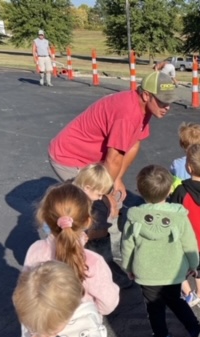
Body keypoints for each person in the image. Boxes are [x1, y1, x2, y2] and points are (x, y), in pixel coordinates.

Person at [48, 71, 176, 283]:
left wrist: (116, 179)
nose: (167, 107)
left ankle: (104, 264)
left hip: (95, 161)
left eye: (170, 102)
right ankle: (78, 266)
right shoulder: (128, 112)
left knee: (107, 208)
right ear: (146, 95)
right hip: (70, 157)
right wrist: (107, 193)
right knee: (96, 210)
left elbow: (134, 143)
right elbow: (114, 158)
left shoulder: (143, 109)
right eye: (162, 101)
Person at [121, 165, 200, 337]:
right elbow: (189, 243)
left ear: (139, 189)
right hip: (172, 270)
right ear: (170, 189)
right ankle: (195, 331)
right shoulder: (178, 216)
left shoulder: (134, 217)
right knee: (176, 301)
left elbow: (127, 245)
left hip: (146, 272)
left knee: (154, 307)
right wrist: (193, 264)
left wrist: (128, 267)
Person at [24, 183, 120, 316]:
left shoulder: (35, 250)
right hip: (84, 326)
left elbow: (27, 289)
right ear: (88, 221)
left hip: (48, 323)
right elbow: (108, 304)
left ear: (45, 218)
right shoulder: (93, 261)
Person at [169, 144, 200, 309]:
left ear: (189, 167)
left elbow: (173, 213)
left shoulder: (182, 191)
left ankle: (189, 294)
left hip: (184, 240)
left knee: (178, 268)